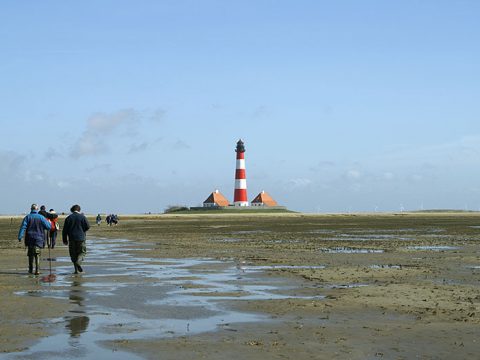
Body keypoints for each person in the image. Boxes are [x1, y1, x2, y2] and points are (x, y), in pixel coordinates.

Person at [17, 204, 53, 275]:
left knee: (30, 254)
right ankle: (37, 270)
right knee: (37, 253)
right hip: (39, 238)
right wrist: (49, 223)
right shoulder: (41, 217)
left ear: (31, 209)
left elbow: (23, 227)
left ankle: (30, 269)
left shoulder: (27, 217)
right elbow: (48, 227)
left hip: (30, 238)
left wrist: (20, 236)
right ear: (37, 209)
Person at [62, 204, 90, 274]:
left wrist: (64, 240)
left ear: (72, 210)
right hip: (81, 238)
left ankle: (76, 270)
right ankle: (78, 263)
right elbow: (88, 226)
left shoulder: (68, 218)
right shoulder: (82, 217)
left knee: (73, 254)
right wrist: (83, 230)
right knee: (82, 252)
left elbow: (64, 230)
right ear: (79, 210)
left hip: (72, 238)